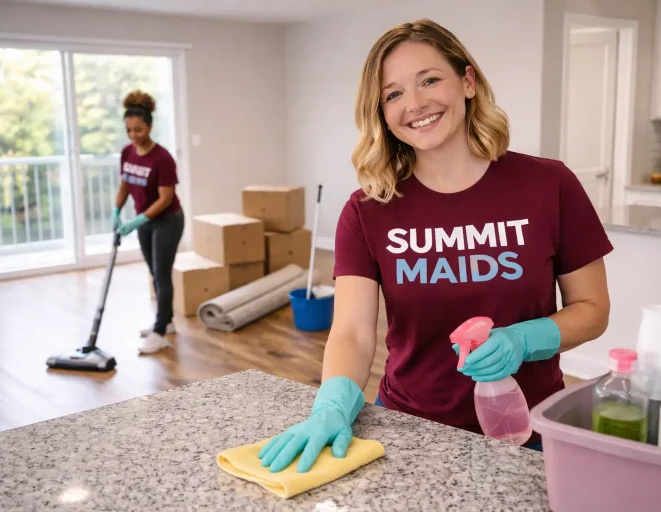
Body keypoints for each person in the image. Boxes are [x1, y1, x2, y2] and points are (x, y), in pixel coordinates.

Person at [258, 19, 613, 473]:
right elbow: (352, 332)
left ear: (467, 81)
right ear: (380, 112)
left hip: (528, 432)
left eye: (429, 80)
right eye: (393, 94)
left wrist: (525, 339)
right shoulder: (368, 211)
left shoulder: (549, 184)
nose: (416, 104)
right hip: (410, 431)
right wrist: (329, 405)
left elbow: (592, 308)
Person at [112, 90, 184, 354]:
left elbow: (166, 198)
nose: (133, 136)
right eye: (129, 130)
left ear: (150, 126)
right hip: (146, 222)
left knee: (162, 274)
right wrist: (116, 210)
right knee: (154, 274)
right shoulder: (127, 153)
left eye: (139, 130)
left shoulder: (162, 158)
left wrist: (140, 218)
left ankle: (159, 332)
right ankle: (167, 323)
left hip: (167, 220)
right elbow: (125, 185)